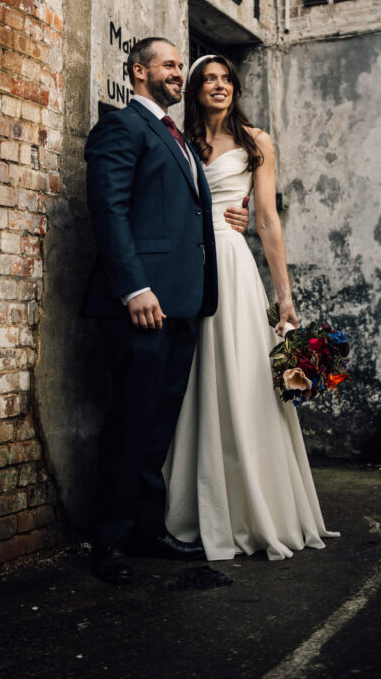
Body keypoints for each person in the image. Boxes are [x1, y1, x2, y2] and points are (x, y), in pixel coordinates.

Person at [83, 38, 249, 583]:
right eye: (171, 65)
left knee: (158, 427)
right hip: (140, 305)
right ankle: (108, 543)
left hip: (182, 303)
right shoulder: (122, 127)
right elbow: (108, 211)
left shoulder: (176, 135)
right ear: (139, 71)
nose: (180, 73)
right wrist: (134, 289)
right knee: (131, 424)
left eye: (182, 66)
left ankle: (147, 531)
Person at [164, 54, 339, 561]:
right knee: (194, 380)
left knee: (243, 380)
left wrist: (284, 298)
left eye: (226, 80)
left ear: (235, 89)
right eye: (208, 80)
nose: (218, 86)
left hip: (234, 268)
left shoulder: (255, 142)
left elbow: (265, 219)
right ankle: (198, 507)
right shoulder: (180, 140)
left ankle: (252, 510)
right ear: (194, 91)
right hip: (188, 268)